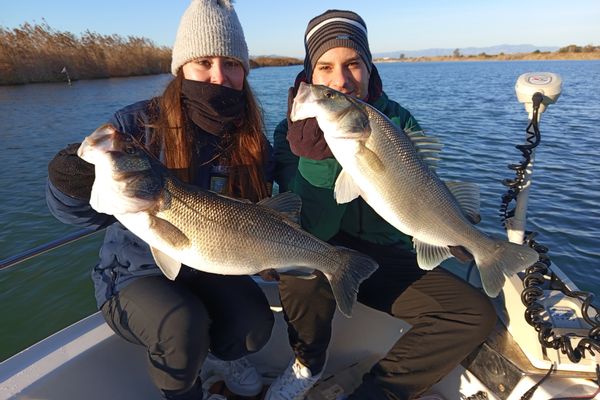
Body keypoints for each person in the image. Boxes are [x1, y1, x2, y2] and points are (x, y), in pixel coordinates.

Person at [46, 1, 274, 399]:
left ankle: (220, 357)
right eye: (203, 61)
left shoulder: (251, 138)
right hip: (133, 273)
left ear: (244, 72)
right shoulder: (135, 127)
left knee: (254, 323)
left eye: (232, 64)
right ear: (181, 68)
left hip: (209, 262)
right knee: (181, 325)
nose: (218, 77)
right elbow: (79, 214)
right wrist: (70, 183)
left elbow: (256, 210)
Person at [267, 9, 497, 400]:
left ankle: (378, 391)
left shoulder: (399, 121)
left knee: (474, 315)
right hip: (325, 248)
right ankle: (308, 364)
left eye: (353, 63)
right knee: (297, 273)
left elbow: (421, 192)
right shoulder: (291, 135)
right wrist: (318, 162)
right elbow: (309, 230)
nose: (341, 79)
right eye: (325, 67)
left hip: (389, 254)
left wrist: (447, 229)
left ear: (370, 67)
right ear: (310, 76)